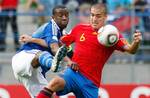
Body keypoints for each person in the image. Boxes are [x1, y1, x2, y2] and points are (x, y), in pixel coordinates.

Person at [36, 3, 142, 98]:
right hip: (73, 73)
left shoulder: (112, 35)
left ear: (105, 17)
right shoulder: (79, 29)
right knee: (55, 82)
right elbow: (59, 43)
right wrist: (68, 60)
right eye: (92, 15)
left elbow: (131, 50)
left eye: (98, 16)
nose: (94, 19)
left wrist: (136, 42)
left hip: (90, 82)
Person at [12, 5, 70, 98]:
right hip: (24, 58)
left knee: (46, 96)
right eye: (60, 15)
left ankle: (53, 63)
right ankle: (52, 63)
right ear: (53, 18)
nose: (64, 18)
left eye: (66, 15)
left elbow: (53, 45)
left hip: (35, 72)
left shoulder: (63, 36)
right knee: (43, 54)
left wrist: (31, 39)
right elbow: (53, 47)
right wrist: (67, 61)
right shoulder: (52, 26)